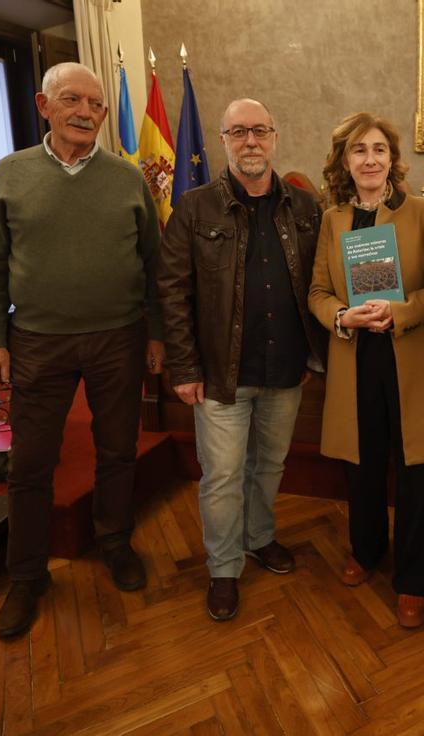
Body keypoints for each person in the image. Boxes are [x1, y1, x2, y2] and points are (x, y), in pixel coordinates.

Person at [0, 62, 164, 639]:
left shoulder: (129, 179)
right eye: (72, 100)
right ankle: (27, 575)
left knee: (118, 451)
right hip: (36, 342)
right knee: (29, 464)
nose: (86, 112)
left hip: (119, 339)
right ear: (44, 104)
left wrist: (155, 333)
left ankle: (114, 541)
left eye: (96, 104)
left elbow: (154, 265)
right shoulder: (11, 174)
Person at [158, 99, 326, 621]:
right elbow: (171, 291)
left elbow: (321, 282)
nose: (250, 141)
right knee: (224, 475)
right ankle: (225, 568)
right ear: (224, 140)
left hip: (286, 370)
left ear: (274, 137)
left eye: (259, 131)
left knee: (269, 465)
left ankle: (260, 537)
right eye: (239, 133)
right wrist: (183, 369)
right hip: (219, 375)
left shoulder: (304, 208)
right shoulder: (194, 207)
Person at [308, 112, 424, 628]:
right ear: (344, 163)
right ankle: (366, 550)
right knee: (362, 462)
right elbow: (317, 293)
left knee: (418, 469)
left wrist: (402, 310)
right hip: (356, 357)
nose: (369, 159)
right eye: (358, 151)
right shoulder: (333, 221)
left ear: (393, 160)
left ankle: (416, 579)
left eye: (378, 149)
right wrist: (341, 316)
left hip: (410, 354)